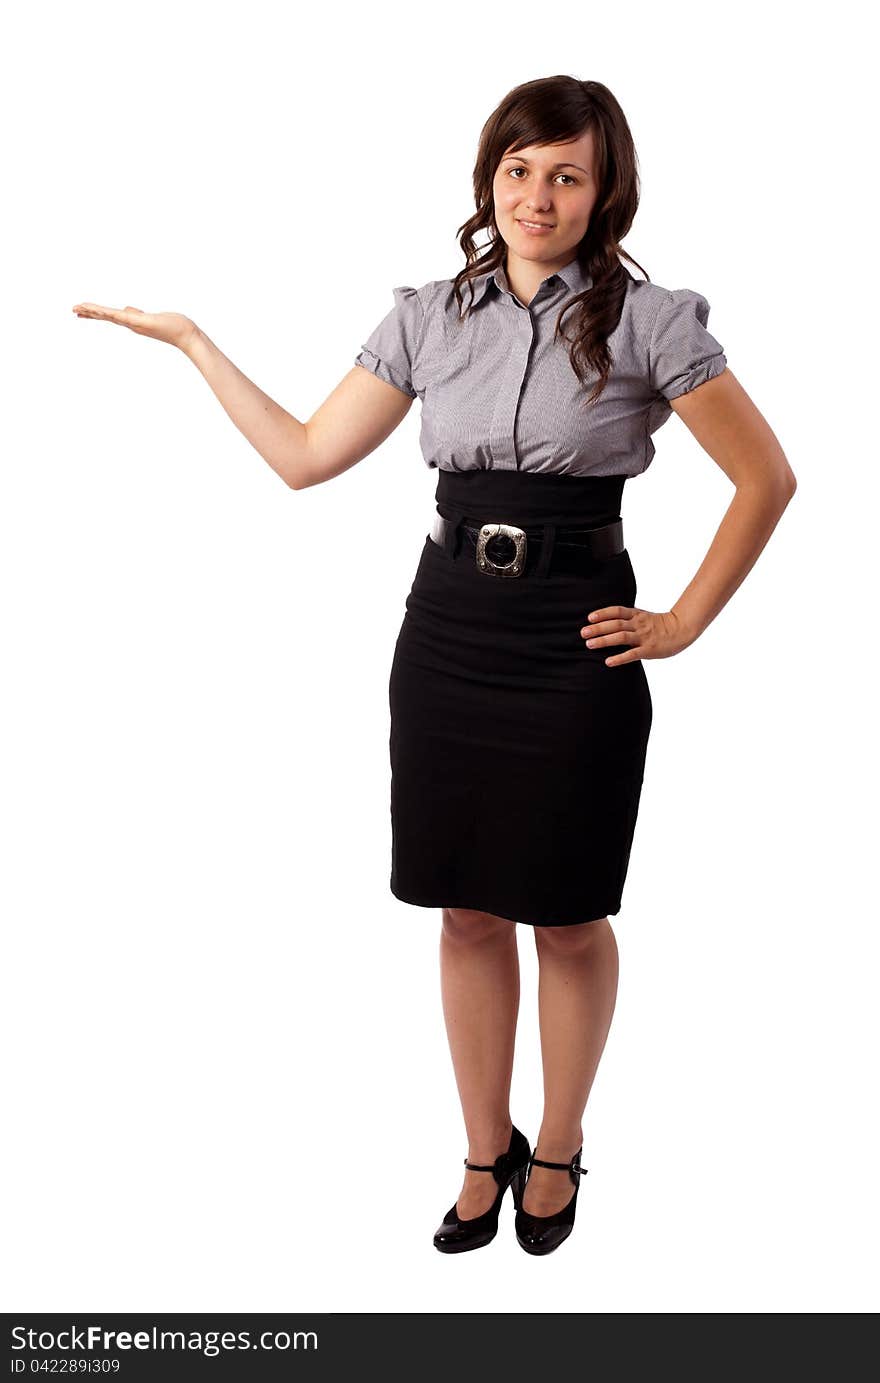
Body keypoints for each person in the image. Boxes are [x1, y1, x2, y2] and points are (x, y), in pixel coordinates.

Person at [72, 75, 796, 1258]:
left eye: (566, 173)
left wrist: (682, 621)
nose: (538, 196)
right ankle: (481, 1146)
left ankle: (557, 1145)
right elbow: (307, 457)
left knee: (564, 911)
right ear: (488, 180)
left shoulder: (650, 321)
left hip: (572, 636)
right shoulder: (427, 314)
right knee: (463, 909)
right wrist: (196, 343)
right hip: (448, 630)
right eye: (518, 170)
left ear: (604, 188)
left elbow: (766, 479)